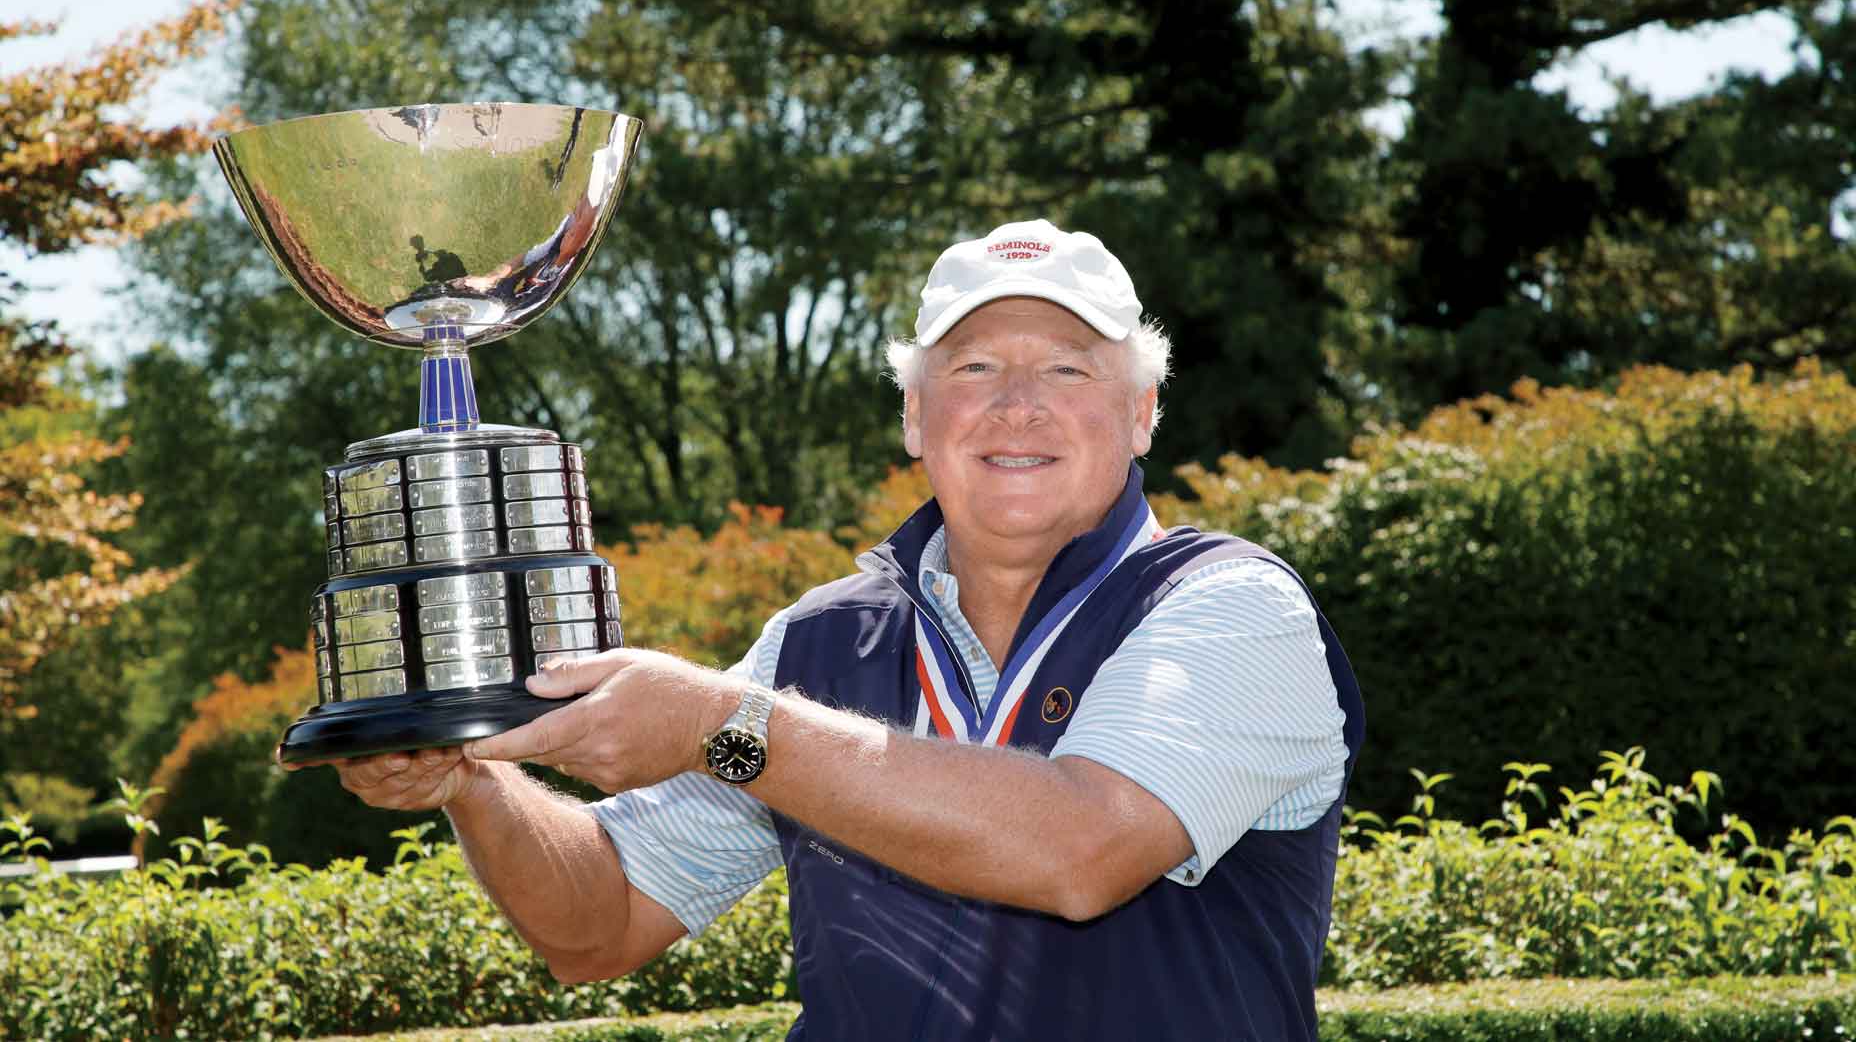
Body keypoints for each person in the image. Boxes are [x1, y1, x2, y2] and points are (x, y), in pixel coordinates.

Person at [300, 219, 1364, 1041]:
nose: (1017, 405)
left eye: (1068, 368)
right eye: (972, 368)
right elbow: (598, 926)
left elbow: (1082, 849)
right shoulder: (818, 644)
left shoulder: (1231, 607)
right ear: (915, 416)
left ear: (1141, 413)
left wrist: (727, 725)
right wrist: (475, 781)